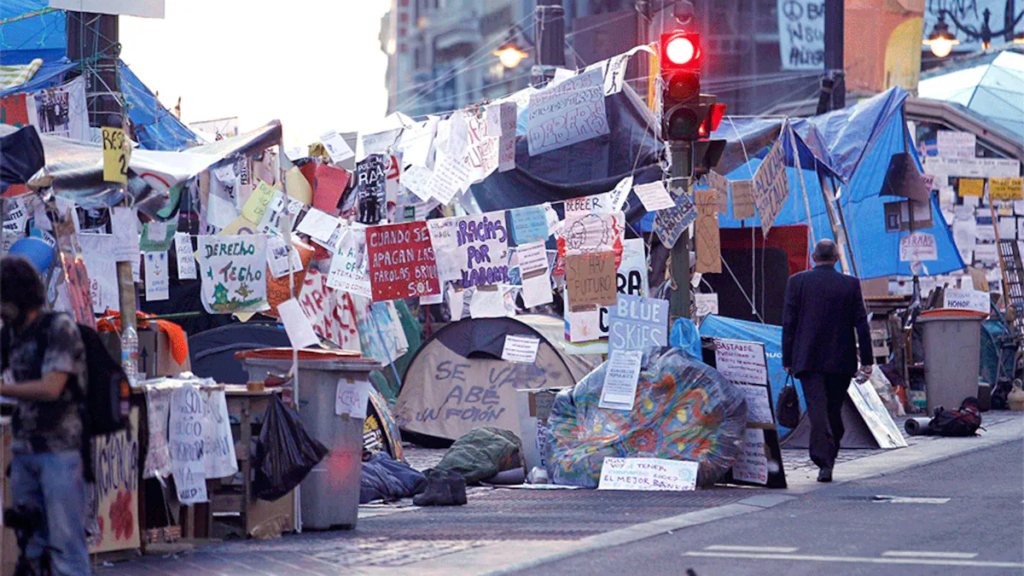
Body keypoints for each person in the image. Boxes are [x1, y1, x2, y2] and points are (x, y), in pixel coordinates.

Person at [0, 256, 90, 575]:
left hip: (59, 450)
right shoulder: (10, 334)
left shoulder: (58, 328)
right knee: (30, 540)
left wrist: (6, 390)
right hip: (25, 449)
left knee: (66, 543)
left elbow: (52, 388)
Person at [782, 239, 873, 483]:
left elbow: (789, 322)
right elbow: (861, 324)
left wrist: (787, 358)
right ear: (835, 258)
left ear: (813, 256)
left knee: (817, 410)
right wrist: (867, 360)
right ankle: (828, 456)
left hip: (807, 358)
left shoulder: (797, 282)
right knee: (833, 409)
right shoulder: (850, 285)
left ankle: (824, 460)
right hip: (841, 361)